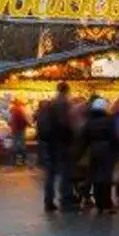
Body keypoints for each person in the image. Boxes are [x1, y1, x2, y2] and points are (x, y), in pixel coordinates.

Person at [38, 83, 76, 212]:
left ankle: (49, 201)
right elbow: (65, 124)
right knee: (65, 173)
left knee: (50, 174)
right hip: (61, 144)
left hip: (49, 144)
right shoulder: (63, 103)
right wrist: (71, 137)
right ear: (67, 90)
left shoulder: (50, 104)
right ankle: (66, 201)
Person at [81, 98, 119, 212]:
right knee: (107, 176)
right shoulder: (110, 120)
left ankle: (99, 203)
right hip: (107, 150)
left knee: (95, 174)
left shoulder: (89, 120)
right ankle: (107, 202)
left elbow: (84, 137)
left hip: (94, 149)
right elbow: (114, 136)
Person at [8, 100, 30, 167]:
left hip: (14, 130)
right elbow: (24, 119)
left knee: (14, 144)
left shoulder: (12, 110)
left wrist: (11, 125)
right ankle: (23, 161)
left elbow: (10, 121)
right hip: (20, 130)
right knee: (22, 145)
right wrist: (29, 124)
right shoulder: (20, 110)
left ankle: (14, 161)